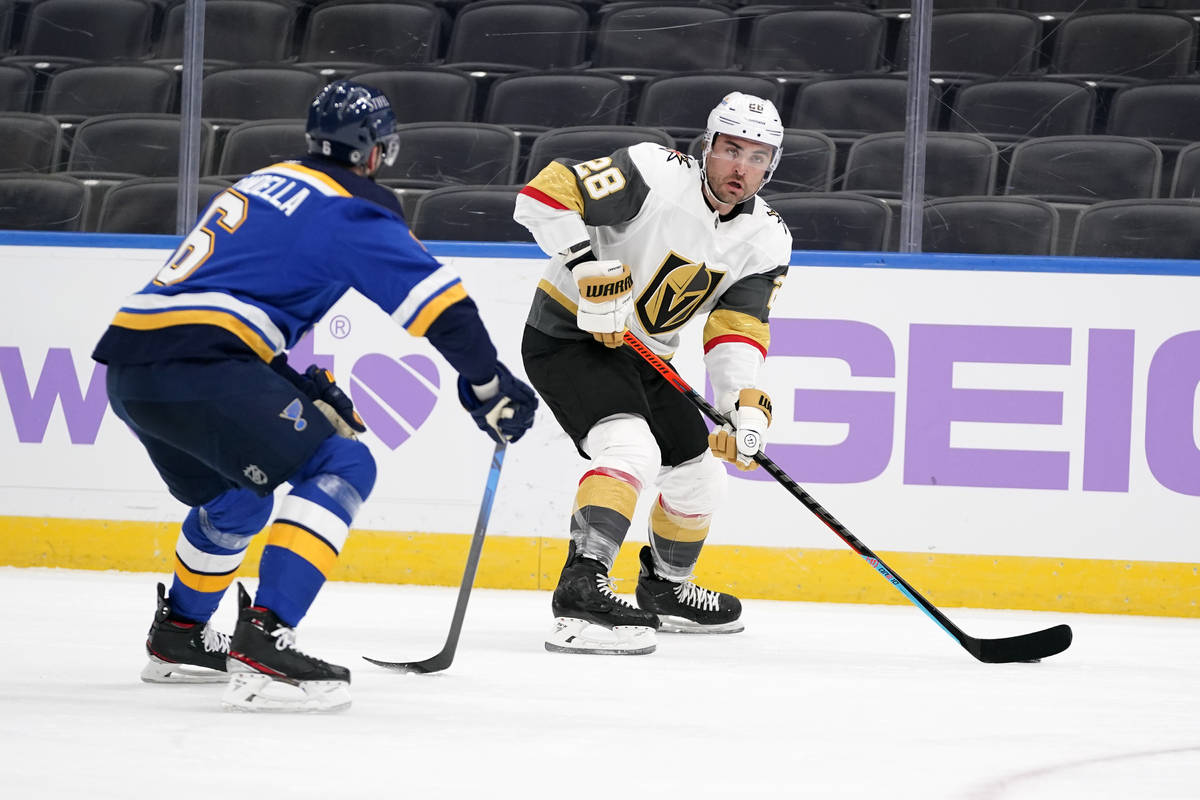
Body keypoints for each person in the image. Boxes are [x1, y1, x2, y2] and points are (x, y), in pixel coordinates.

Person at [92, 80, 537, 711]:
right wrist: (488, 385)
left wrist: (293, 382)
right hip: (201, 364)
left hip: (132, 369)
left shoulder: (265, 179)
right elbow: (444, 306)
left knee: (238, 498)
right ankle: (267, 643)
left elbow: (224, 296)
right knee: (344, 463)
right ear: (374, 152)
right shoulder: (349, 206)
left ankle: (181, 636)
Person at [514, 92, 792, 655]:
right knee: (630, 448)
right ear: (707, 146)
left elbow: (735, 329)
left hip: (646, 354)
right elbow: (543, 194)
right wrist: (584, 265)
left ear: (772, 165)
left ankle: (665, 589)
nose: (742, 167)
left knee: (699, 475)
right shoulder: (652, 171)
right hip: (569, 336)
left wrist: (742, 404)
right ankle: (580, 592)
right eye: (731, 149)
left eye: (758, 157)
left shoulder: (767, 238)